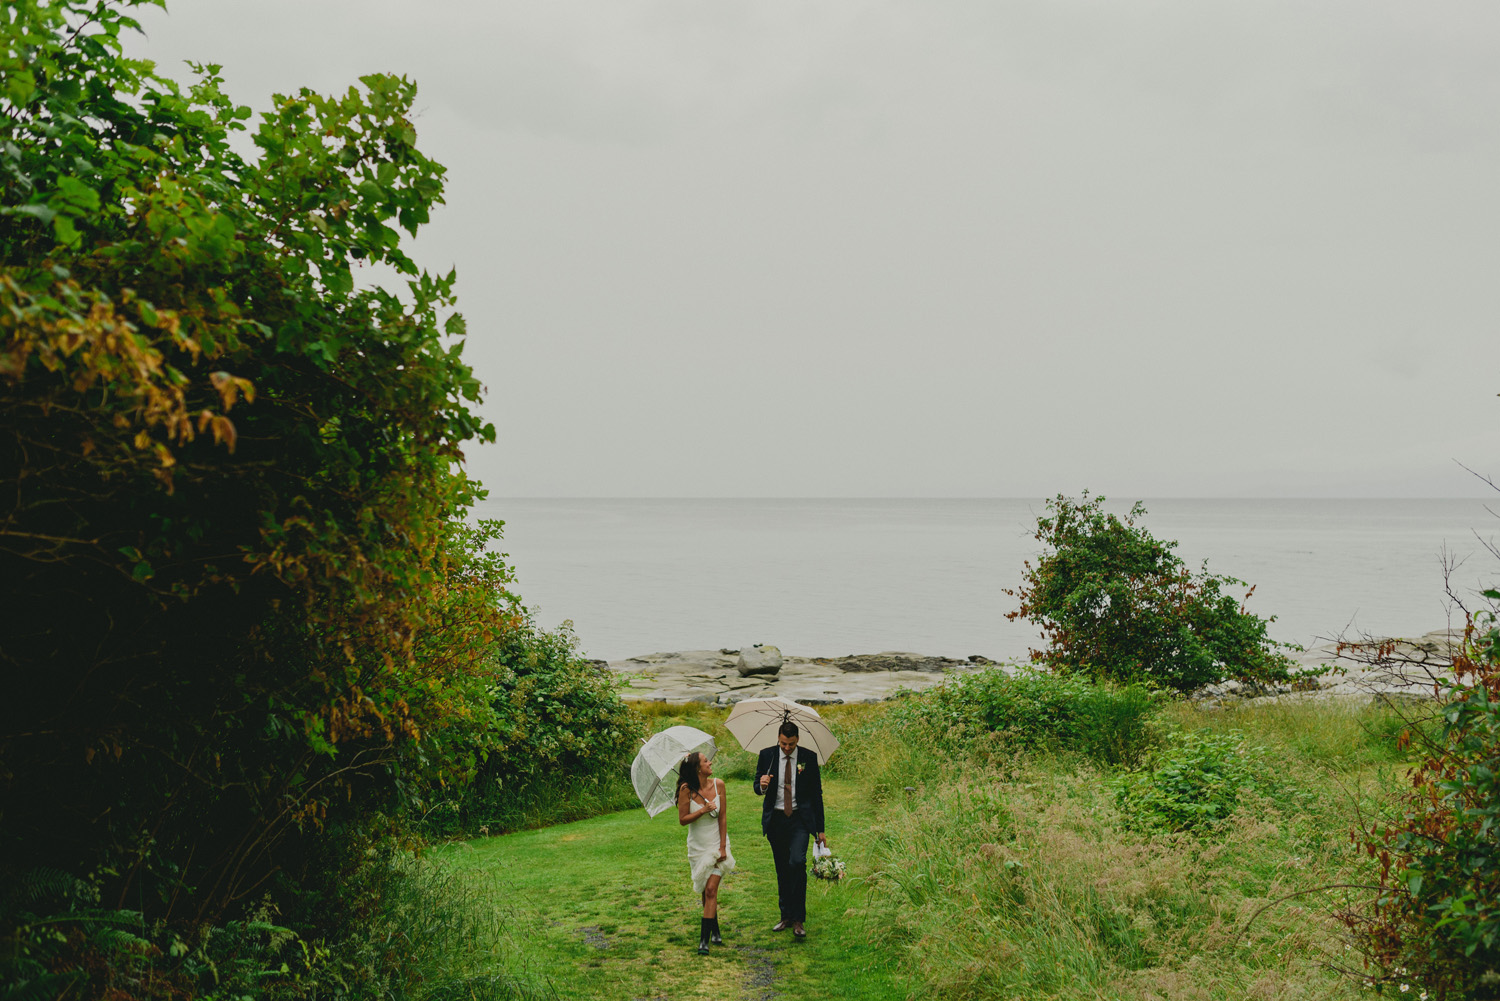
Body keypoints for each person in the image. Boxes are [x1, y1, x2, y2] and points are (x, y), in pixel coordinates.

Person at [752, 720, 825, 939]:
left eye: (791, 744)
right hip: (775, 819)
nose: (786, 748)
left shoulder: (808, 758)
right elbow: (757, 786)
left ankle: (799, 920)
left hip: (800, 820)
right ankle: (785, 916)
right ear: (778, 738)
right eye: (783, 743)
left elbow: (816, 795)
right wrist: (762, 785)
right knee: (782, 869)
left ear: (797, 740)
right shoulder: (767, 755)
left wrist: (820, 829)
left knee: (797, 862)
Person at [677, 750, 734, 955]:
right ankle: (715, 929)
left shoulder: (719, 785)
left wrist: (722, 847)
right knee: (704, 888)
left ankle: (704, 942)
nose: (710, 762)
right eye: (705, 761)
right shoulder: (686, 789)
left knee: (711, 890)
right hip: (697, 848)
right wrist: (702, 809)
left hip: (717, 844)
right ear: (697, 768)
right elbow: (683, 820)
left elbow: (723, 818)